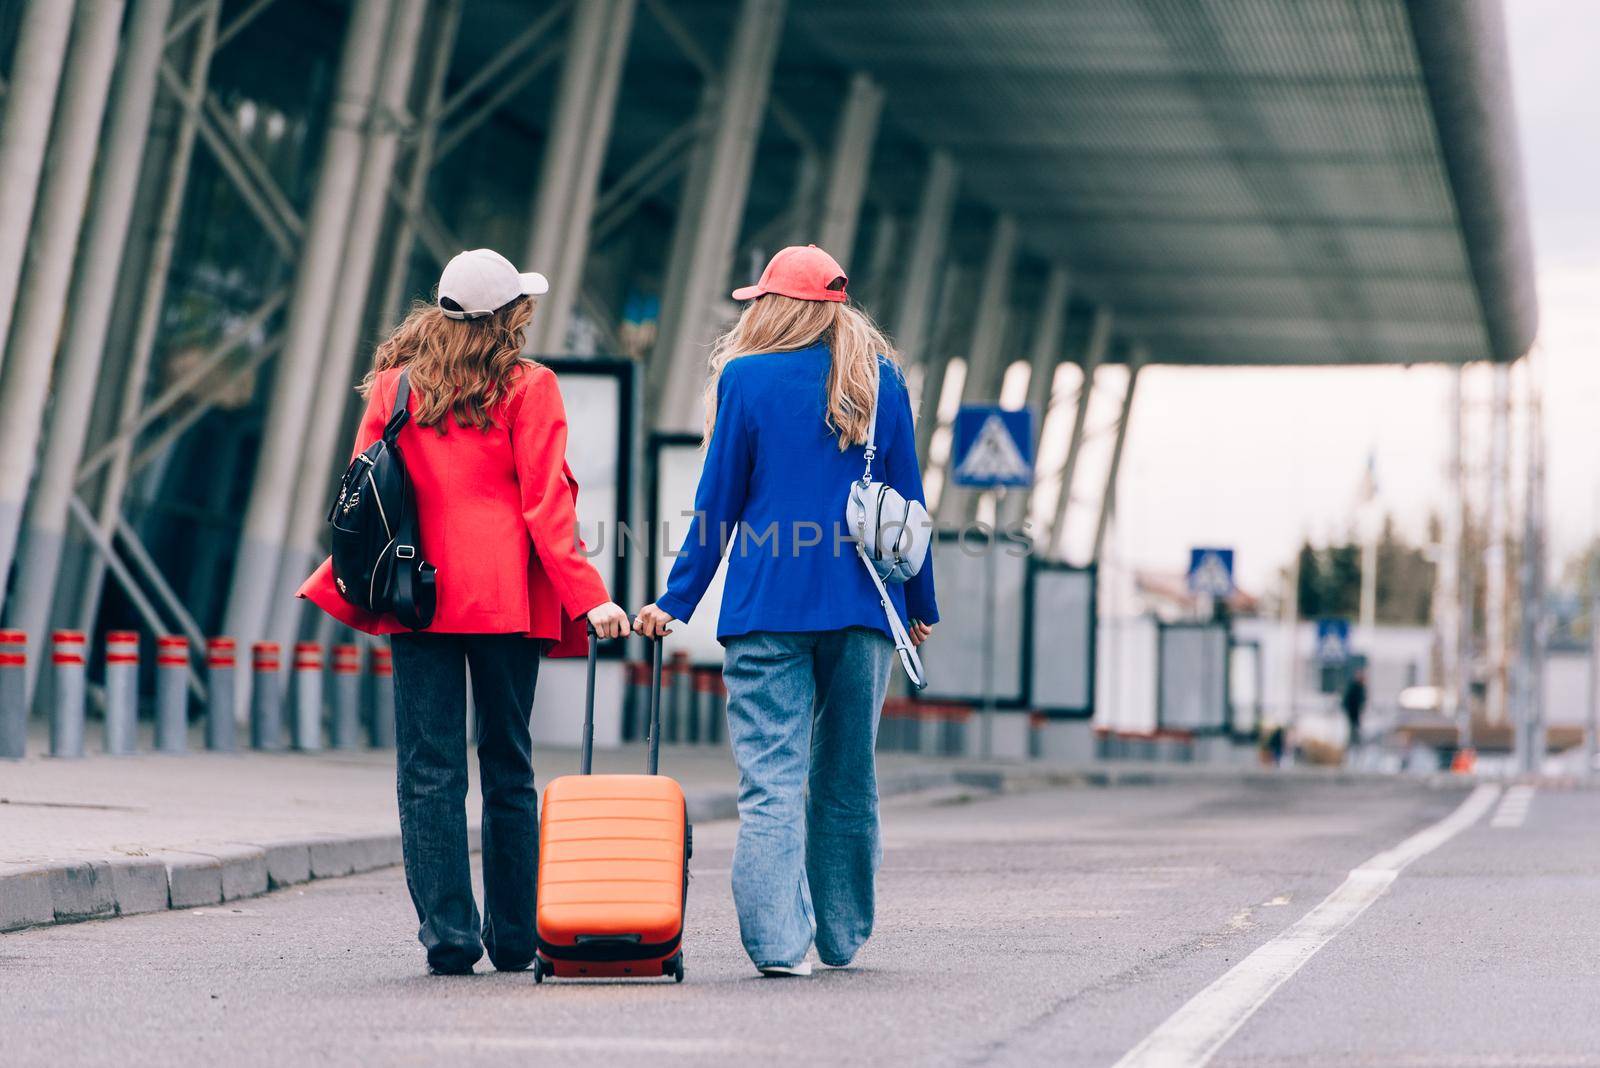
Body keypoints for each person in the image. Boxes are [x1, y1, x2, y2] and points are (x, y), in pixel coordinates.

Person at [298, 248, 631, 976]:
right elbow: (548, 507)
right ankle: (514, 937)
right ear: (508, 315)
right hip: (504, 602)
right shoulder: (529, 387)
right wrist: (593, 597)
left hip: (415, 597)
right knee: (509, 767)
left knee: (428, 769)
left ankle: (448, 936)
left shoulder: (395, 389)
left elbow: (366, 494)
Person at [633, 244, 938, 977]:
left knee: (771, 783)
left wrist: (675, 602)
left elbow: (717, 506)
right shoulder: (879, 381)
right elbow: (908, 506)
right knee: (846, 779)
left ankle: (777, 947)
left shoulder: (744, 380)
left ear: (773, 305)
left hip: (765, 609)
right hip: (863, 608)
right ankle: (841, 935)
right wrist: (917, 605)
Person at [1342, 669, 1368, 757]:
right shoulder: (1354, 687)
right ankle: (1355, 752)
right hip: (1353, 715)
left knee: (1354, 734)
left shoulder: (1359, 687)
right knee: (1354, 734)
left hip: (1355, 716)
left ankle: (1354, 751)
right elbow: (1350, 703)